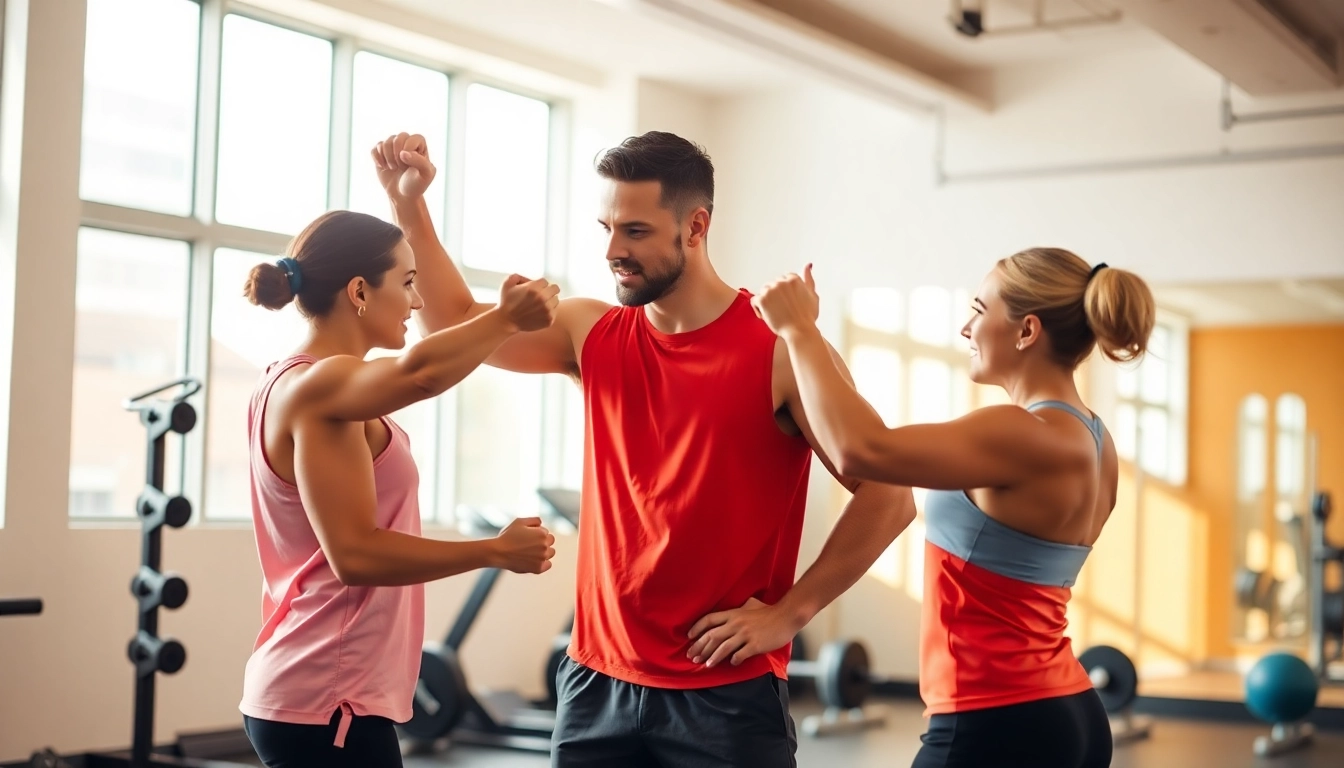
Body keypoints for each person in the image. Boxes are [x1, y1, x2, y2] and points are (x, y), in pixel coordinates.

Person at [369, 130, 917, 767]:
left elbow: (891, 495)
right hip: (595, 684)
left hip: (725, 694)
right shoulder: (590, 331)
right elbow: (455, 324)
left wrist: (790, 613)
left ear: (696, 226)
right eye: (605, 228)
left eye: (633, 231)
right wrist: (408, 205)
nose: (611, 250)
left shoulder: (778, 351)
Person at [750, 250, 1156, 768]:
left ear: (1027, 331)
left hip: (995, 724)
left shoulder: (1022, 431)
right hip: (1068, 711)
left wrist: (799, 330)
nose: (967, 328)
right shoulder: (1096, 441)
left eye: (979, 309)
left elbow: (862, 451)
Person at [237, 208, 561, 768]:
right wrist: (493, 551)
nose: (416, 301)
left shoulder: (301, 381)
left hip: (319, 693)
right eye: (407, 283)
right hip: (327, 698)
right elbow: (357, 554)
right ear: (359, 291)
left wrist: (407, 199)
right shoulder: (320, 385)